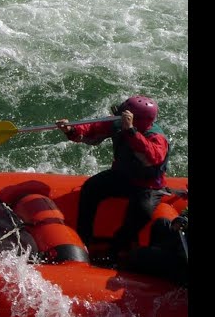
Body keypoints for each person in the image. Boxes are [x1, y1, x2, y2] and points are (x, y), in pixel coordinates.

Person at [55, 95, 170, 263]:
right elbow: (92, 128)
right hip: (123, 176)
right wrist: (71, 130)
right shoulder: (118, 123)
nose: (119, 116)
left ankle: (116, 249)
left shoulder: (156, 137)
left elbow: (152, 156)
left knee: (142, 211)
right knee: (91, 188)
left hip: (148, 186)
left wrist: (131, 131)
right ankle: (83, 240)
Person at [126, 207, 188, 285]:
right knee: (161, 223)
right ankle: (155, 258)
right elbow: (186, 214)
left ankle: (159, 268)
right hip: (180, 244)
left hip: (183, 261)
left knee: (137, 254)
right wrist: (181, 221)